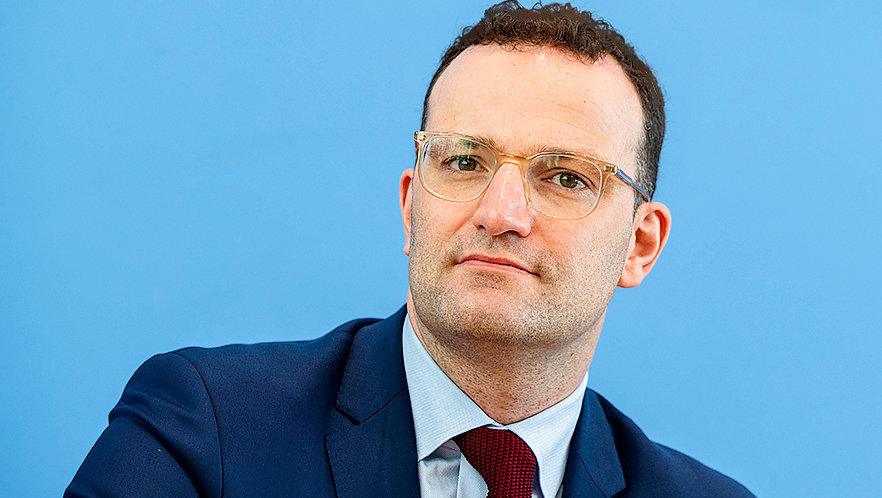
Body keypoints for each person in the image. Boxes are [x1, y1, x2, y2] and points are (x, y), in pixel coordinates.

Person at [66, 2, 754, 497]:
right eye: (463, 162)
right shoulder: (202, 433)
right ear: (410, 205)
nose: (500, 214)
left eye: (566, 177)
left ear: (640, 245)